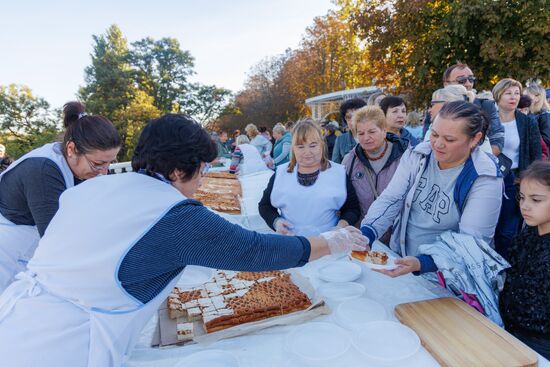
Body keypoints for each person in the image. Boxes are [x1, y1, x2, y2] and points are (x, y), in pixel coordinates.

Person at [0, 114, 368, 367]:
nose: (203, 179)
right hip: (62, 347)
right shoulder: (173, 215)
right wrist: (330, 241)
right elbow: (257, 250)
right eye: (202, 169)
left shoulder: (101, 186)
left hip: (18, 322)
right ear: (177, 170)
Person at [360, 101, 503, 268]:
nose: (437, 144)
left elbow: (470, 241)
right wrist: (366, 234)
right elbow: (392, 198)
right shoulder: (419, 154)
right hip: (404, 257)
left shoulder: (485, 177)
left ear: (475, 139)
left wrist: (424, 263)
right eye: (434, 134)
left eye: (449, 139)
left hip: (448, 274)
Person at [0, 101, 120, 292]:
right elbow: (56, 240)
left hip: (29, 246)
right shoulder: (43, 171)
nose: (104, 172)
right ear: (71, 149)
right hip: (7, 250)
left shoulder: (83, 168)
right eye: (98, 164)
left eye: (109, 163)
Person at [259, 119, 360, 236]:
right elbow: (264, 206)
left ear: (321, 145)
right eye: (300, 147)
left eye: (313, 145)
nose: (307, 152)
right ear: (293, 148)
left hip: (328, 244)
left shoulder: (338, 172)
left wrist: (341, 226)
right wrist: (276, 222)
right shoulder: (281, 173)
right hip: (291, 243)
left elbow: (352, 209)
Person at [499, 161, 550, 359]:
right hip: (510, 329)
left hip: (539, 344)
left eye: (536, 200)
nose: (525, 206)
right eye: (521, 198)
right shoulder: (529, 230)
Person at [493, 78, 542, 258]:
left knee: (508, 231)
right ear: (498, 96)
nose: (513, 97)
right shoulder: (487, 121)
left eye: (516, 93)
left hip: (515, 180)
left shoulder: (527, 122)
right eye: (508, 93)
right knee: (490, 225)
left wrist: (528, 179)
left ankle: (506, 267)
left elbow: (536, 154)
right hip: (489, 178)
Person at [342, 106, 408, 232]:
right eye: (360, 133)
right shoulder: (349, 161)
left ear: (384, 131)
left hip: (396, 238)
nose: (366, 138)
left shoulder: (405, 158)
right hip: (362, 236)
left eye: (372, 132)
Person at [421, 63, 504, 156]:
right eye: (461, 80)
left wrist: (478, 160)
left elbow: (497, 139)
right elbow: (427, 143)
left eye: (471, 79)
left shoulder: (486, 106)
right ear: (446, 84)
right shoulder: (434, 111)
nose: (468, 84)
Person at [423, 85, 493, 154]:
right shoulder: (432, 127)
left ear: (446, 104)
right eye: (435, 135)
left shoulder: (473, 129)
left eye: (449, 139)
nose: (429, 110)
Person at [332, 98, 367, 163]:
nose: (352, 121)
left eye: (356, 116)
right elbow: (336, 166)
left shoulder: (374, 136)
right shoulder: (340, 140)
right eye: (349, 117)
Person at [525, 83, 550, 150]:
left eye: (527, 95)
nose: (525, 97)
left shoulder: (544, 115)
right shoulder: (528, 112)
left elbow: (547, 139)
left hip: (541, 155)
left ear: (537, 97)